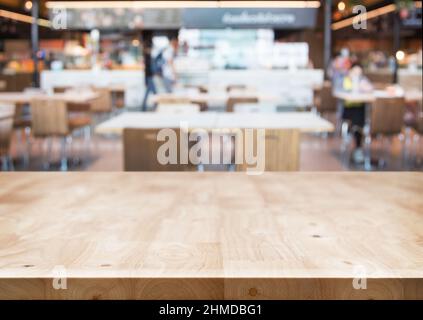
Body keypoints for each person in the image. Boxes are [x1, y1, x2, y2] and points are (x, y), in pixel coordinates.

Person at [341, 62, 373, 164]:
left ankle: (358, 139)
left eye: (359, 73)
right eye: (354, 72)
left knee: (361, 115)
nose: (356, 75)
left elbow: (370, 88)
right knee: (358, 119)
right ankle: (357, 145)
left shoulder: (363, 80)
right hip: (349, 109)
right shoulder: (345, 80)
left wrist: (363, 85)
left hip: (361, 108)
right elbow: (344, 91)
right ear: (350, 71)